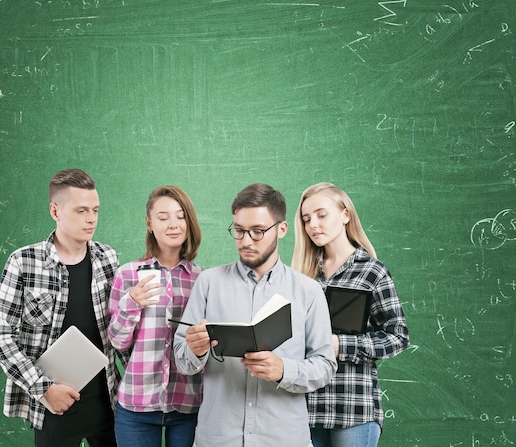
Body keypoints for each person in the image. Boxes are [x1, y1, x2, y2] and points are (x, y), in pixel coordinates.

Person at [173, 183, 337, 447]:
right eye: (238, 231)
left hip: (284, 439)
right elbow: (183, 361)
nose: (246, 241)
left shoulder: (308, 291)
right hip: (218, 438)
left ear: (281, 229)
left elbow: (325, 366)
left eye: (258, 232)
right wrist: (195, 349)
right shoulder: (208, 283)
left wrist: (284, 370)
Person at [0, 169, 122, 447]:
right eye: (81, 210)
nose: (91, 218)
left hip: (108, 401)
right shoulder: (23, 262)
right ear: (55, 211)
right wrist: (44, 389)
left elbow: (119, 326)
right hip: (52, 406)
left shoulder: (107, 258)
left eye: (95, 209)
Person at [291, 182, 410, 447]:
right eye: (307, 219)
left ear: (345, 215)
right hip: (306, 410)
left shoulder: (372, 272)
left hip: (353, 407)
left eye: (322, 215)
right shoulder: (302, 277)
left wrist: (339, 345)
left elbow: (398, 337)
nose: (313, 225)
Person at [108, 186, 204, 447]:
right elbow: (117, 342)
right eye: (163, 217)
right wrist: (133, 302)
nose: (173, 224)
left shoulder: (202, 279)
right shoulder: (128, 274)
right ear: (150, 224)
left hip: (187, 406)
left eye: (180, 216)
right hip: (136, 407)